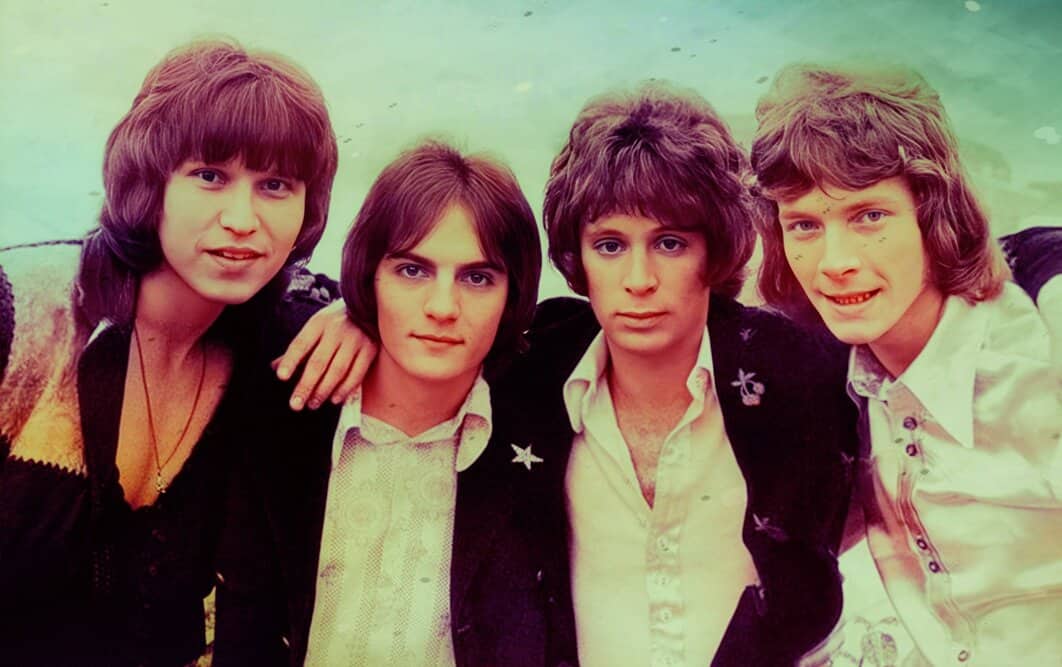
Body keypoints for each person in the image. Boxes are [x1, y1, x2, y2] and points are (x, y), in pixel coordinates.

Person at [0, 39, 345, 666]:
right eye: (209, 176)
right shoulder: (19, 312)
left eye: (275, 185)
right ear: (148, 180)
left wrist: (363, 316)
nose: (242, 219)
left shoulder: (273, 349)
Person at [750, 63, 1062, 665]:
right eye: (805, 225)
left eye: (869, 215)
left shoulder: (1039, 358)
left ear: (932, 212)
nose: (835, 262)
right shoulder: (830, 383)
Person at [212, 140, 562, 667]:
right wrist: (343, 307)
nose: (442, 307)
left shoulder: (541, 409)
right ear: (369, 274)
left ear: (512, 294)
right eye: (412, 271)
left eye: (477, 277)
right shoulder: (286, 409)